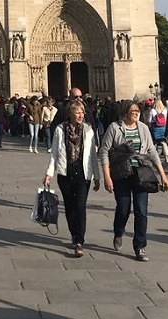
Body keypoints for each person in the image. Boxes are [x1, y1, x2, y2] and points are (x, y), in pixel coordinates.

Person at [100, 100, 168, 262]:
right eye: (133, 111)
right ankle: (118, 232)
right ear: (125, 112)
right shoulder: (114, 128)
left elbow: (152, 152)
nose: (136, 113)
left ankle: (140, 245)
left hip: (141, 173)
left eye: (137, 111)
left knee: (141, 211)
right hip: (121, 174)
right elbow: (104, 151)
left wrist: (163, 175)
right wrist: (106, 176)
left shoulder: (143, 128)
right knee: (123, 209)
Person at [43, 101, 100, 257]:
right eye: (78, 112)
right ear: (70, 114)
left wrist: (97, 177)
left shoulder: (88, 130)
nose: (81, 115)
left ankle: (79, 239)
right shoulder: (60, 130)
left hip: (83, 172)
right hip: (65, 172)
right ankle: (74, 234)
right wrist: (49, 173)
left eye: (82, 112)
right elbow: (54, 153)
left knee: (80, 206)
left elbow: (93, 156)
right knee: (69, 206)